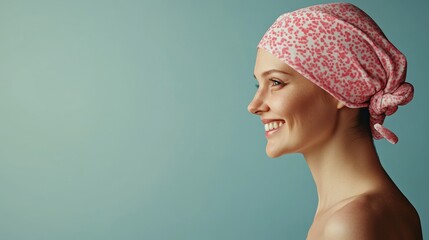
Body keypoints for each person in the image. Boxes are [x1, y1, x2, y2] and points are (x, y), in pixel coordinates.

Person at [248, 3, 422, 239]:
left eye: (276, 83)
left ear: (341, 88)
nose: (254, 106)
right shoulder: (365, 209)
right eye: (259, 85)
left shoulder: (349, 222)